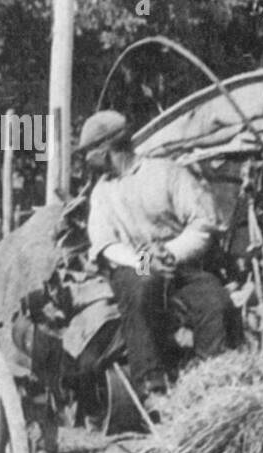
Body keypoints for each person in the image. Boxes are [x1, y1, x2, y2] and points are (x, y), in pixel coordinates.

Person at [77, 110, 236, 412]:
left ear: (106, 149)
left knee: (214, 299)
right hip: (134, 265)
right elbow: (105, 244)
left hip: (179, 262)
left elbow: (202, 223)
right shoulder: (102, 194)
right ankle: (151, 387)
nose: (88, 160)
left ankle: (209, 382)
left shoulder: (167, 173)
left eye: (90, 153)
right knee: (141, 286)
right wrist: (144, 260)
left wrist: (172, 253)